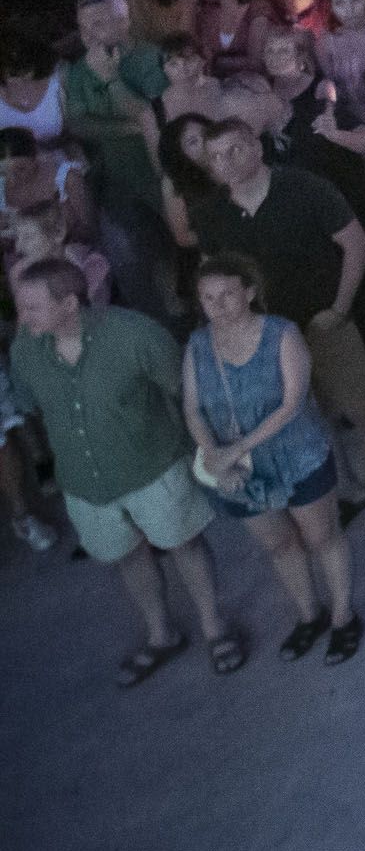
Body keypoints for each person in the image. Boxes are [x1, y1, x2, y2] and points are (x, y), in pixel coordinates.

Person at [171, 114, 365, 549]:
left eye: (236, 149)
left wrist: (339, 308)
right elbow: (215, 276)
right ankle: (349, 491)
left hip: (325, 324)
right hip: (266, 340)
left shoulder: (304, 186)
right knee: (309, 419)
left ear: (257, 147)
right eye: (217, 156)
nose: (228, 162)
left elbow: (356, 243)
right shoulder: (210, 215)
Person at [14, 257, 230, 681]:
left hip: (154, 469)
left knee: (185, 545)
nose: (23, 317)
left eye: (33, 307)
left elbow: (184, 391)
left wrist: (205, 452)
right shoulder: (28, 349)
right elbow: (33, 405)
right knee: (128, 558)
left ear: (69, 304)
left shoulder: (135, 335)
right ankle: (161, 635)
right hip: (85, 486)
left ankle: (215, 629)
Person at [177, 249, 360, 666]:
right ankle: (309, 614)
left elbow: (292, 403)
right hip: (238, 469)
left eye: (227, 294)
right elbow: (193, 409)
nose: (217, 305)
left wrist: (235, 451)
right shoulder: (198, 345)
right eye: (208, 298)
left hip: (296, 456)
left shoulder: (281, 334)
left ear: (249, 292)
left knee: (322, 537)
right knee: (279, 545)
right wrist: (213, 454)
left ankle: (343, 615)